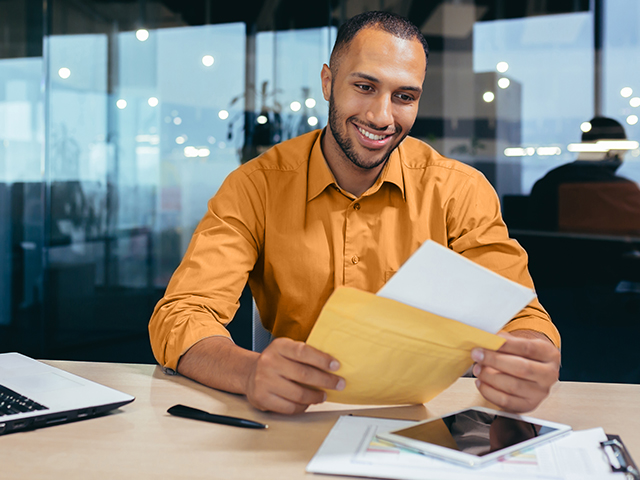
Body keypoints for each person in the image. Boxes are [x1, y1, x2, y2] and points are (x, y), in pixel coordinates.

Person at [149, 11, 561, 415]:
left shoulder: (459, 190)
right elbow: (182, 314)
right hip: (295, 419)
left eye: (404, 97)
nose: (382, 117)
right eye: (365, 86)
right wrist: (250, 372)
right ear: (328, 82)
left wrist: (530, 358)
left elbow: (521, 315)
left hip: (422, 419)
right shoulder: (256, 186)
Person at [529, 116, 640, 234]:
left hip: (554, 252)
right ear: (613, 151)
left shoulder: (548, 183)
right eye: (622, 150)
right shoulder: (623, 191)